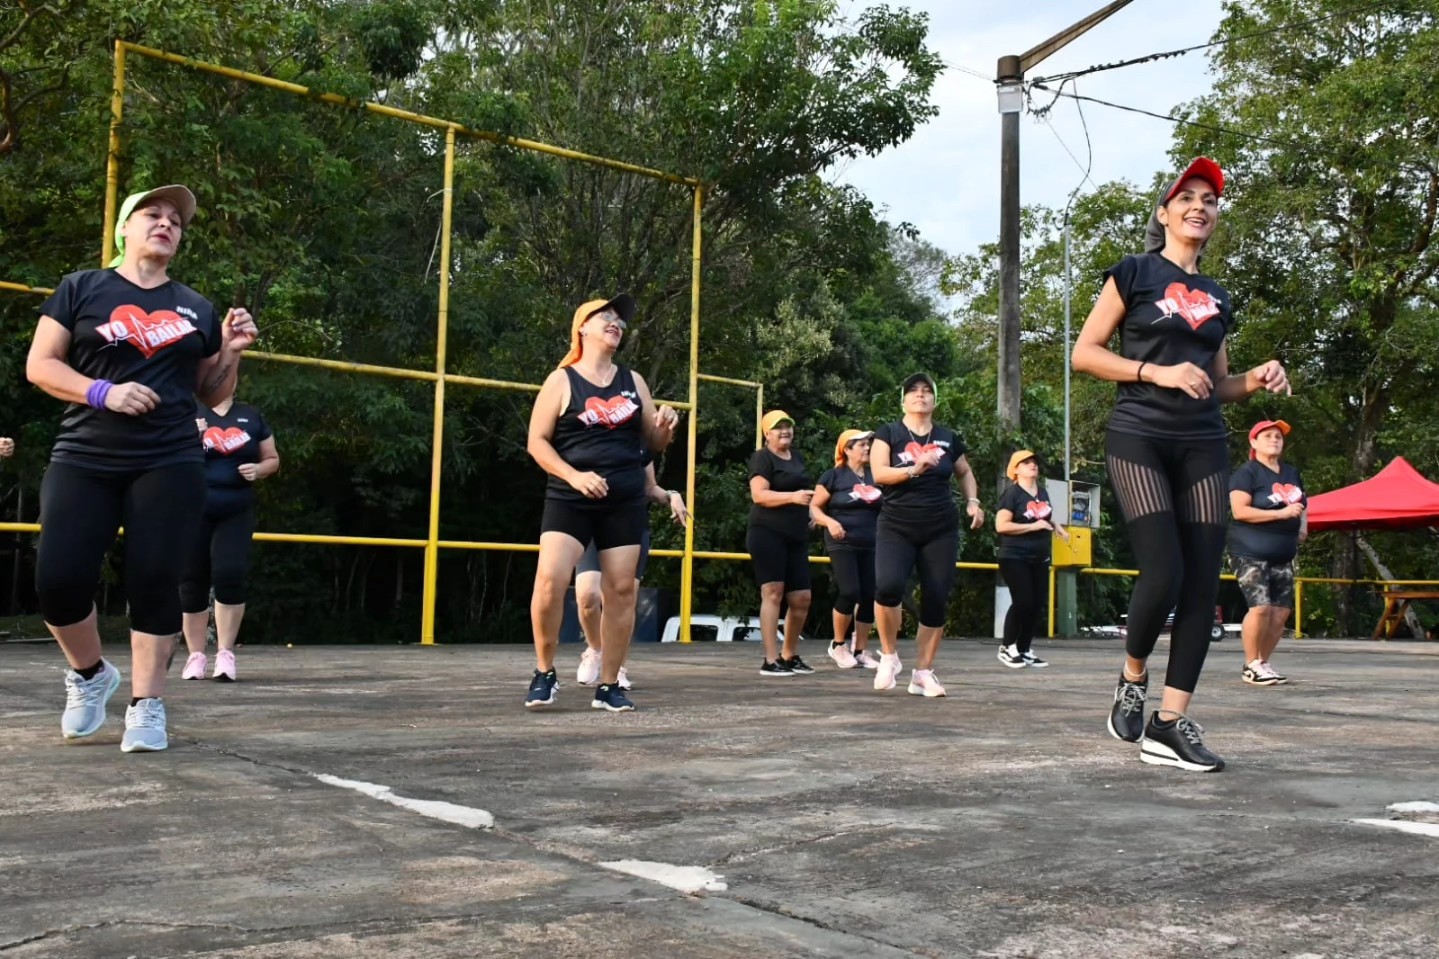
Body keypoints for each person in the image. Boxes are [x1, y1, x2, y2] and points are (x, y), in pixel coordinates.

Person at [1072, 157, 1290, 772]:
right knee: (1163, 572)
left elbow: (1218, 384)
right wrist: (1154, 370)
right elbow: (1084, 354)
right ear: (1165, 213)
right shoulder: (1133, 273)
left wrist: (1259, 377)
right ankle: (1132, 675)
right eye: (1188, 197)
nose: (1200, 206)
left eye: (1210, 200)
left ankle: (1168, 725)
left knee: (1202, 587)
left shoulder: (1216, 295)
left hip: (1202, 444)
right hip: (1139, 434)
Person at [25, 184, 258, 752]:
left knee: (156, 579)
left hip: (170, 457)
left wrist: (229, 351)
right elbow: (40, 365)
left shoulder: (196, 306)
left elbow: (208, 390)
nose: (166, 224)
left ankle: (146, 703)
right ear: (124, 229)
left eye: (175, 220)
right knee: (57, 581)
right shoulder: (81, 288)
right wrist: (103, 392)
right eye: (152, 214)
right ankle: (90, 675)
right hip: (86, 454)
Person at [526, 293, 678, 712]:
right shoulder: (561, 381)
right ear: (583, 328)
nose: (616, 323)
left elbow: (654, 443)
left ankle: (609, 685)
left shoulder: (634, 382)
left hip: (624, 499)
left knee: (621, 590)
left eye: (620, 320)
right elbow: (536, 443)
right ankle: (544, 673)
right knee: (549, 582)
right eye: (606, 317)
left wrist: (666, 426)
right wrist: (574, 476)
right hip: (570, 496)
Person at [868, 373, 984, 697]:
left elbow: (964, 472)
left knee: (936, 596)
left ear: (934, 400)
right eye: (913, 391)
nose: (920, 395)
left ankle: (923, 672)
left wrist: (973, 502)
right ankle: (889, 657)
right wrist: (913, 469)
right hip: (896, 524)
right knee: (888, 586)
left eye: (926, 391)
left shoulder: (947, 437)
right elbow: (878, 473)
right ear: (903, 400)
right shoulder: (888, 433)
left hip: (940, 528)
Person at [178, 386, 280, 682]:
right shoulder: (189, 412)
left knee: (229, 573)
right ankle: (196, 656)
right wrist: (191, 437)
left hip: (236, 508)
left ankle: (225, 653)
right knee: (191, 579)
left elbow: (273, 459)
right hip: (193, 508)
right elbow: (164, 455)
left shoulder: (251, 416)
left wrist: (259, 470)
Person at [574, 459, 690, 688]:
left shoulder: (637, 442)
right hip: (590, 520)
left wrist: (672, 495)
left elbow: (650, 487)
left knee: (622, 600)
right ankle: (596, 649)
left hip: (629, 525)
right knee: (588, 596)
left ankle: (617, 667)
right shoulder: (589, 434)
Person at [1228, 419, 1306, 686]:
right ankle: (1250, 664)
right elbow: (1240, 511)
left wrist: (1302, 527)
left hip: (1283, 552)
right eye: (1268, 435)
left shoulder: (1291, 473)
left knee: (1280, 612)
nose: (1275, 439)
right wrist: (1282, 514)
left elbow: (1302, 503)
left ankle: (1262, 662)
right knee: (1260, 608)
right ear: (1253, 443)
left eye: (1279, 436)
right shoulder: (1247, 473)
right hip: (1249, 551)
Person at [747, 410, 815, 677]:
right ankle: (770, 659)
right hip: (767, 532)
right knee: (773, 592)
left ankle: (789, 654)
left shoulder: (796, 457)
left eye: (788, 426)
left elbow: (803, 494)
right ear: (767, 433)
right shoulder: (762, 458)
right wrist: (793, 498)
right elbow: (759, 495)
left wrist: (808, 511)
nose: (785, 431)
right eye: (778, 427)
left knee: (802, 598)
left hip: (796, 534)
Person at [811, 429, 882, 669]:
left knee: (869, 595)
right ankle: (838, 645)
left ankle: (860, 650)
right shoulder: (833, 476)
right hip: (842, 540)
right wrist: (830, 522)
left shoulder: (876, 475)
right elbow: (814, 508)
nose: (867, 448)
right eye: (861, 444)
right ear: (847, 449)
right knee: (850, 591)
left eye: (868, 444)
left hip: (872, 542)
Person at [994, 450, 1068, 669]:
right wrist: (1033, 526)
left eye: (1034, 461)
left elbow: (1043, 515)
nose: (1032, 465)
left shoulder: (1042, 492)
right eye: (1026, 463)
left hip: (1039, 556)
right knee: (1023, 600)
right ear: (1016, 469)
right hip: (1014, 556)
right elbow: (1001, 525)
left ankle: (1024, 648)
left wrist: (1057, 526)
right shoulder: (1012, 494)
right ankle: (1007, 647)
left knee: (1036, 604)